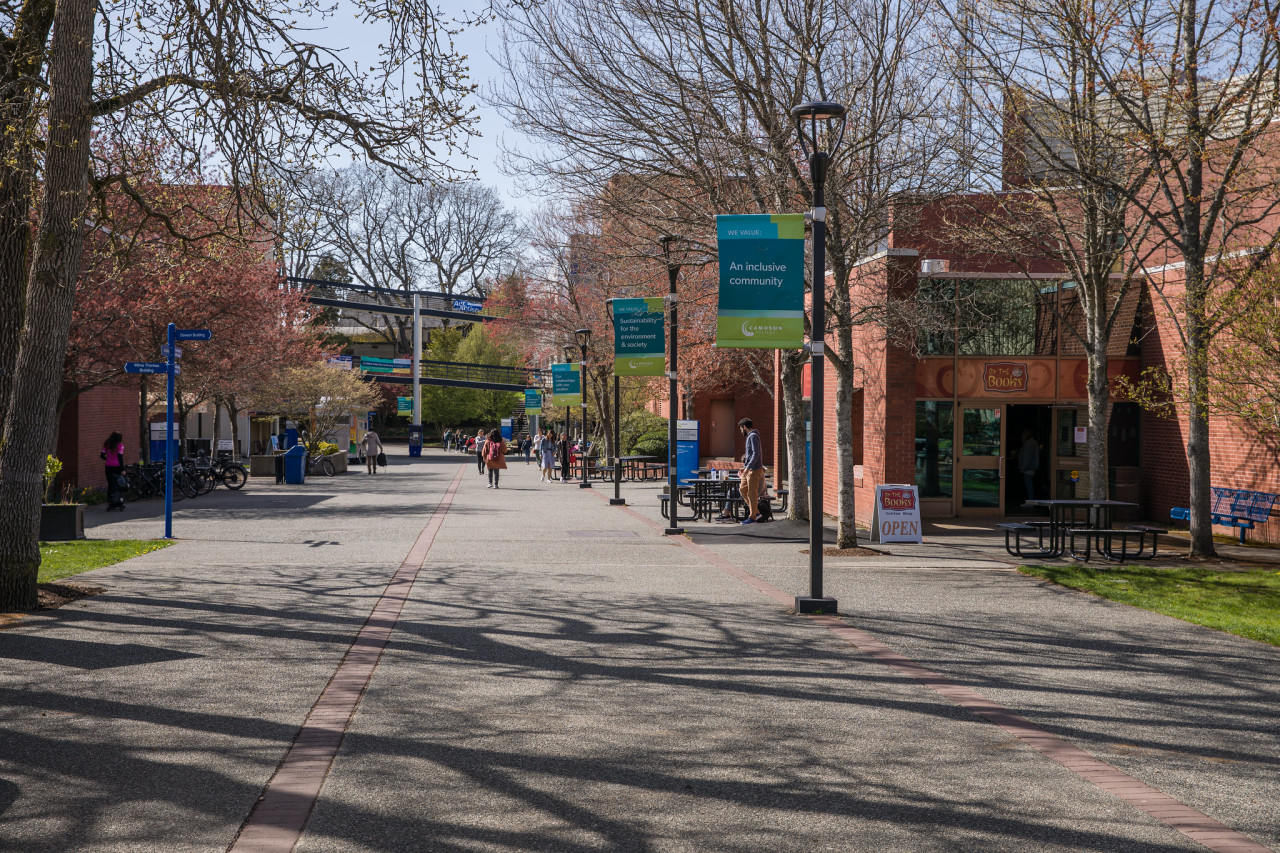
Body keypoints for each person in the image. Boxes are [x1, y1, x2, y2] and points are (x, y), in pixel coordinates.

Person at [738, 418, 766, 524]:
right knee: (742, 490)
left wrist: (748, 467)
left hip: (754, 470)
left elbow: (756, 453)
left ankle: (753, 517)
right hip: (748, 469)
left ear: (744, 427)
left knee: (752, 494)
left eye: (741, 429)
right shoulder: (750, 436)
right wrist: (745, 467)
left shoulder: (753, 436)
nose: (741, 431)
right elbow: (750, 455)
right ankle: (757, 513)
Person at [101, 432, 125, 511]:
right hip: (117, 467)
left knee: (110, 485)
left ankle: (110, 502)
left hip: (108, 467)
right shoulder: (120, 446)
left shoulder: (107, 445)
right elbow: (120, 457)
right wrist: (122, 469)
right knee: (119, 484)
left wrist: (108, 459)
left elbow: (102, 455)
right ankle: (118, 501)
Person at [1019, 429, 1040, 504]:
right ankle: (1030, 501)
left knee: (1029, 485)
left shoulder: (1028, 443)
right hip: (1032, 467)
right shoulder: (1033, 442)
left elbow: (1026, 457)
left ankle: (1030, 502)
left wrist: (1023, 467)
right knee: (1030, 485)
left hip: (1028, 468)